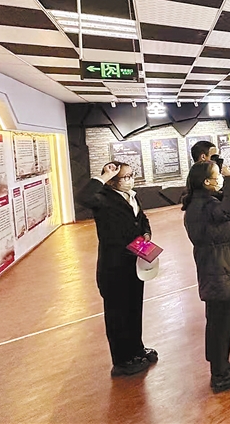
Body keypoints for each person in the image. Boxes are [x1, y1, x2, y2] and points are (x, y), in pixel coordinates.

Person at [76, 161, 158, 377]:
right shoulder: (102, 198)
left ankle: (136, 349)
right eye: (125, 177)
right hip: (115, 265)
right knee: (118, 314)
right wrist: (104, 176)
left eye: (132, 175)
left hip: (134, 261)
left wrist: (146, 233)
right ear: (112, 181)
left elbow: (141, 218)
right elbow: (82, 197)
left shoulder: (132, 196)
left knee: (134, 308)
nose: (130, 180)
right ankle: (122, 360)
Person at [182, 161, 230, 393]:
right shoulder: (204, 206)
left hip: (221, 267)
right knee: (220, 323)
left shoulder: (205, 203)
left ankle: (222, 365)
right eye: (217, 175)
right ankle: (220, 374)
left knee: (222, 321)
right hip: (218, 270)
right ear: (206, 182)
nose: (220, 178)